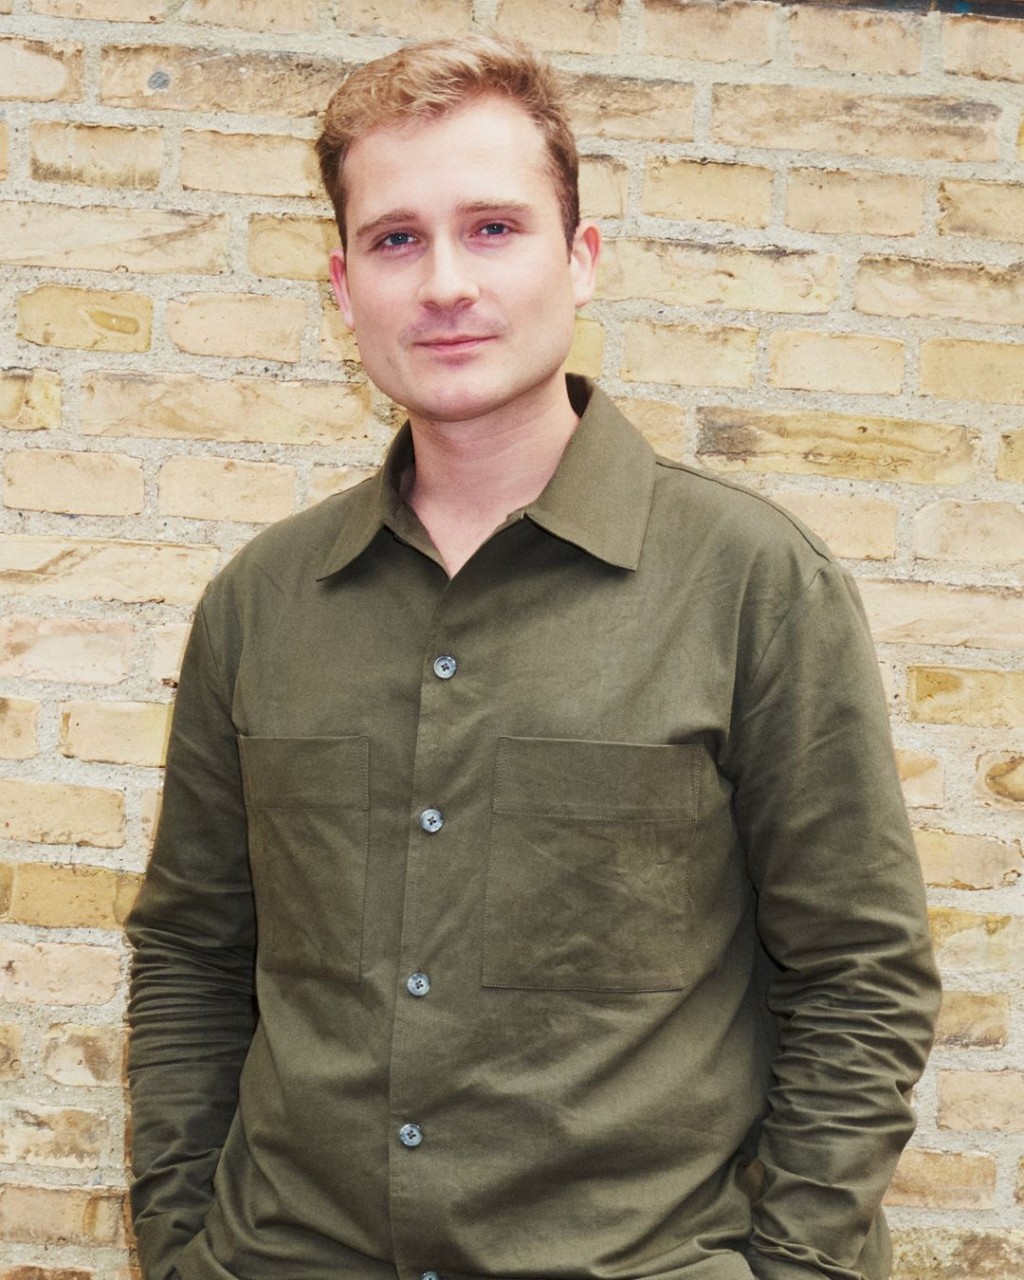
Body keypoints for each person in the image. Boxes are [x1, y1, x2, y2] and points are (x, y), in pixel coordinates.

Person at [126, 34, 940, 1280]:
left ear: (582, 257)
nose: (444, 281)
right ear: (343, 289)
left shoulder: (750, 583)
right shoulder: (261, 601)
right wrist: (183, 1244)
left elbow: (859, 976)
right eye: (397, 239)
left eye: (494, 227)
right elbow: (192, 952)